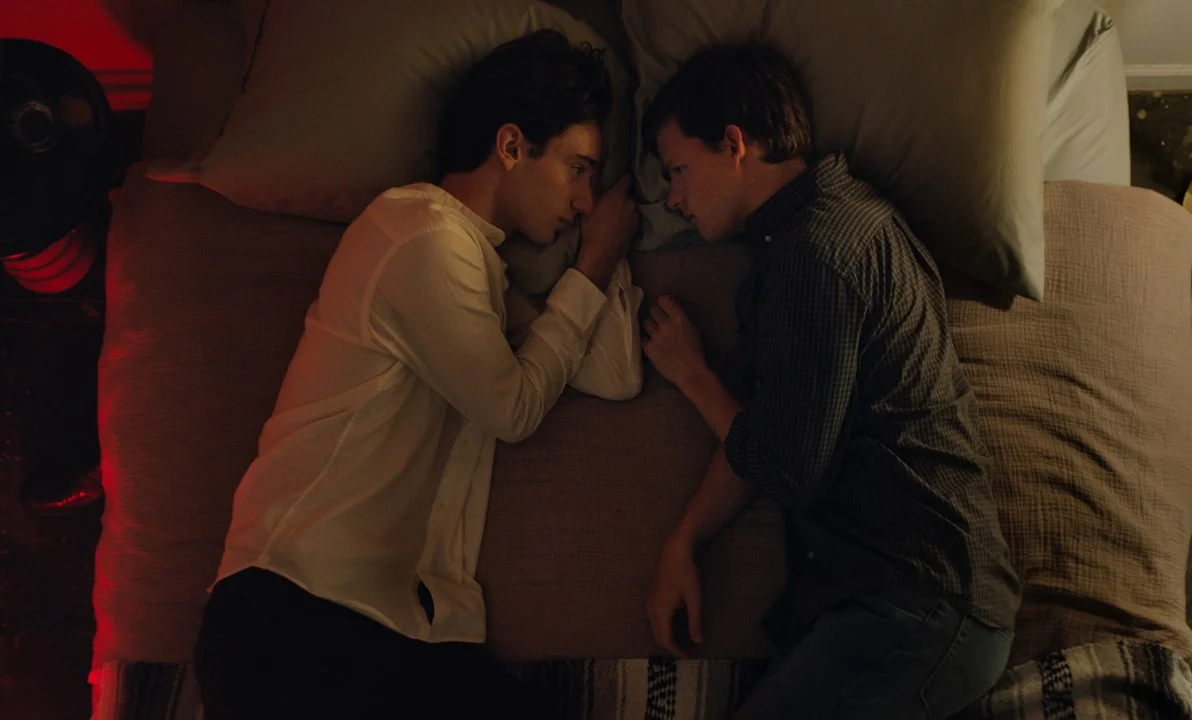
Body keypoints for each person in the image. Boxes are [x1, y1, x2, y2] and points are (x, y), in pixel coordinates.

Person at [194, 30, 640, 719]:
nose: (584, 198)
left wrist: (603, 249)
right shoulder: (420, 235)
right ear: (511, 146)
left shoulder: (482, 276)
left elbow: (614, 373)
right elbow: (514, 410)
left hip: (398, 633)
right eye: (578, 169)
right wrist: (595, 262)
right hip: (291, 615)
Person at [639, 42, 1021, 719]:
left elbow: (787, 466)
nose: (672, 199)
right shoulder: (835, 225)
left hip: (921, 601)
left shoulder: (815, 255)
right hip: (911, 604)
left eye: (677, 171)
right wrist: (684, 539)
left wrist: (692, 374)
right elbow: (774, 429)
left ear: (734, 144)